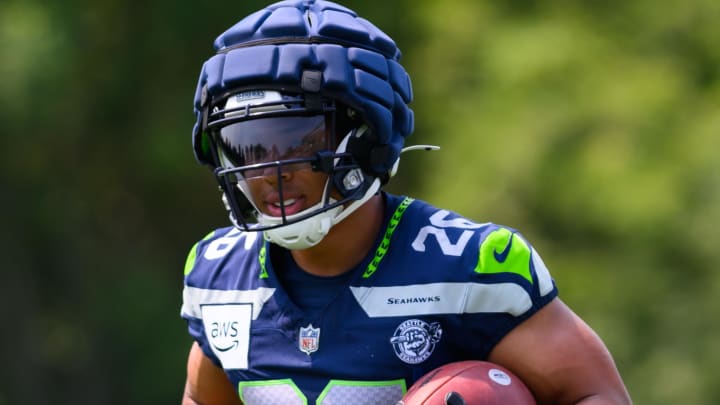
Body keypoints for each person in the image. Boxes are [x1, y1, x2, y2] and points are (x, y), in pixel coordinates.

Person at [180, 1, 632, 404]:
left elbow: (595, 394)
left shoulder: (468, 266)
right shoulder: (219, 278)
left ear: (365, 136)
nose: (268, 172)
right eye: (247, 148)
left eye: (296, 140)